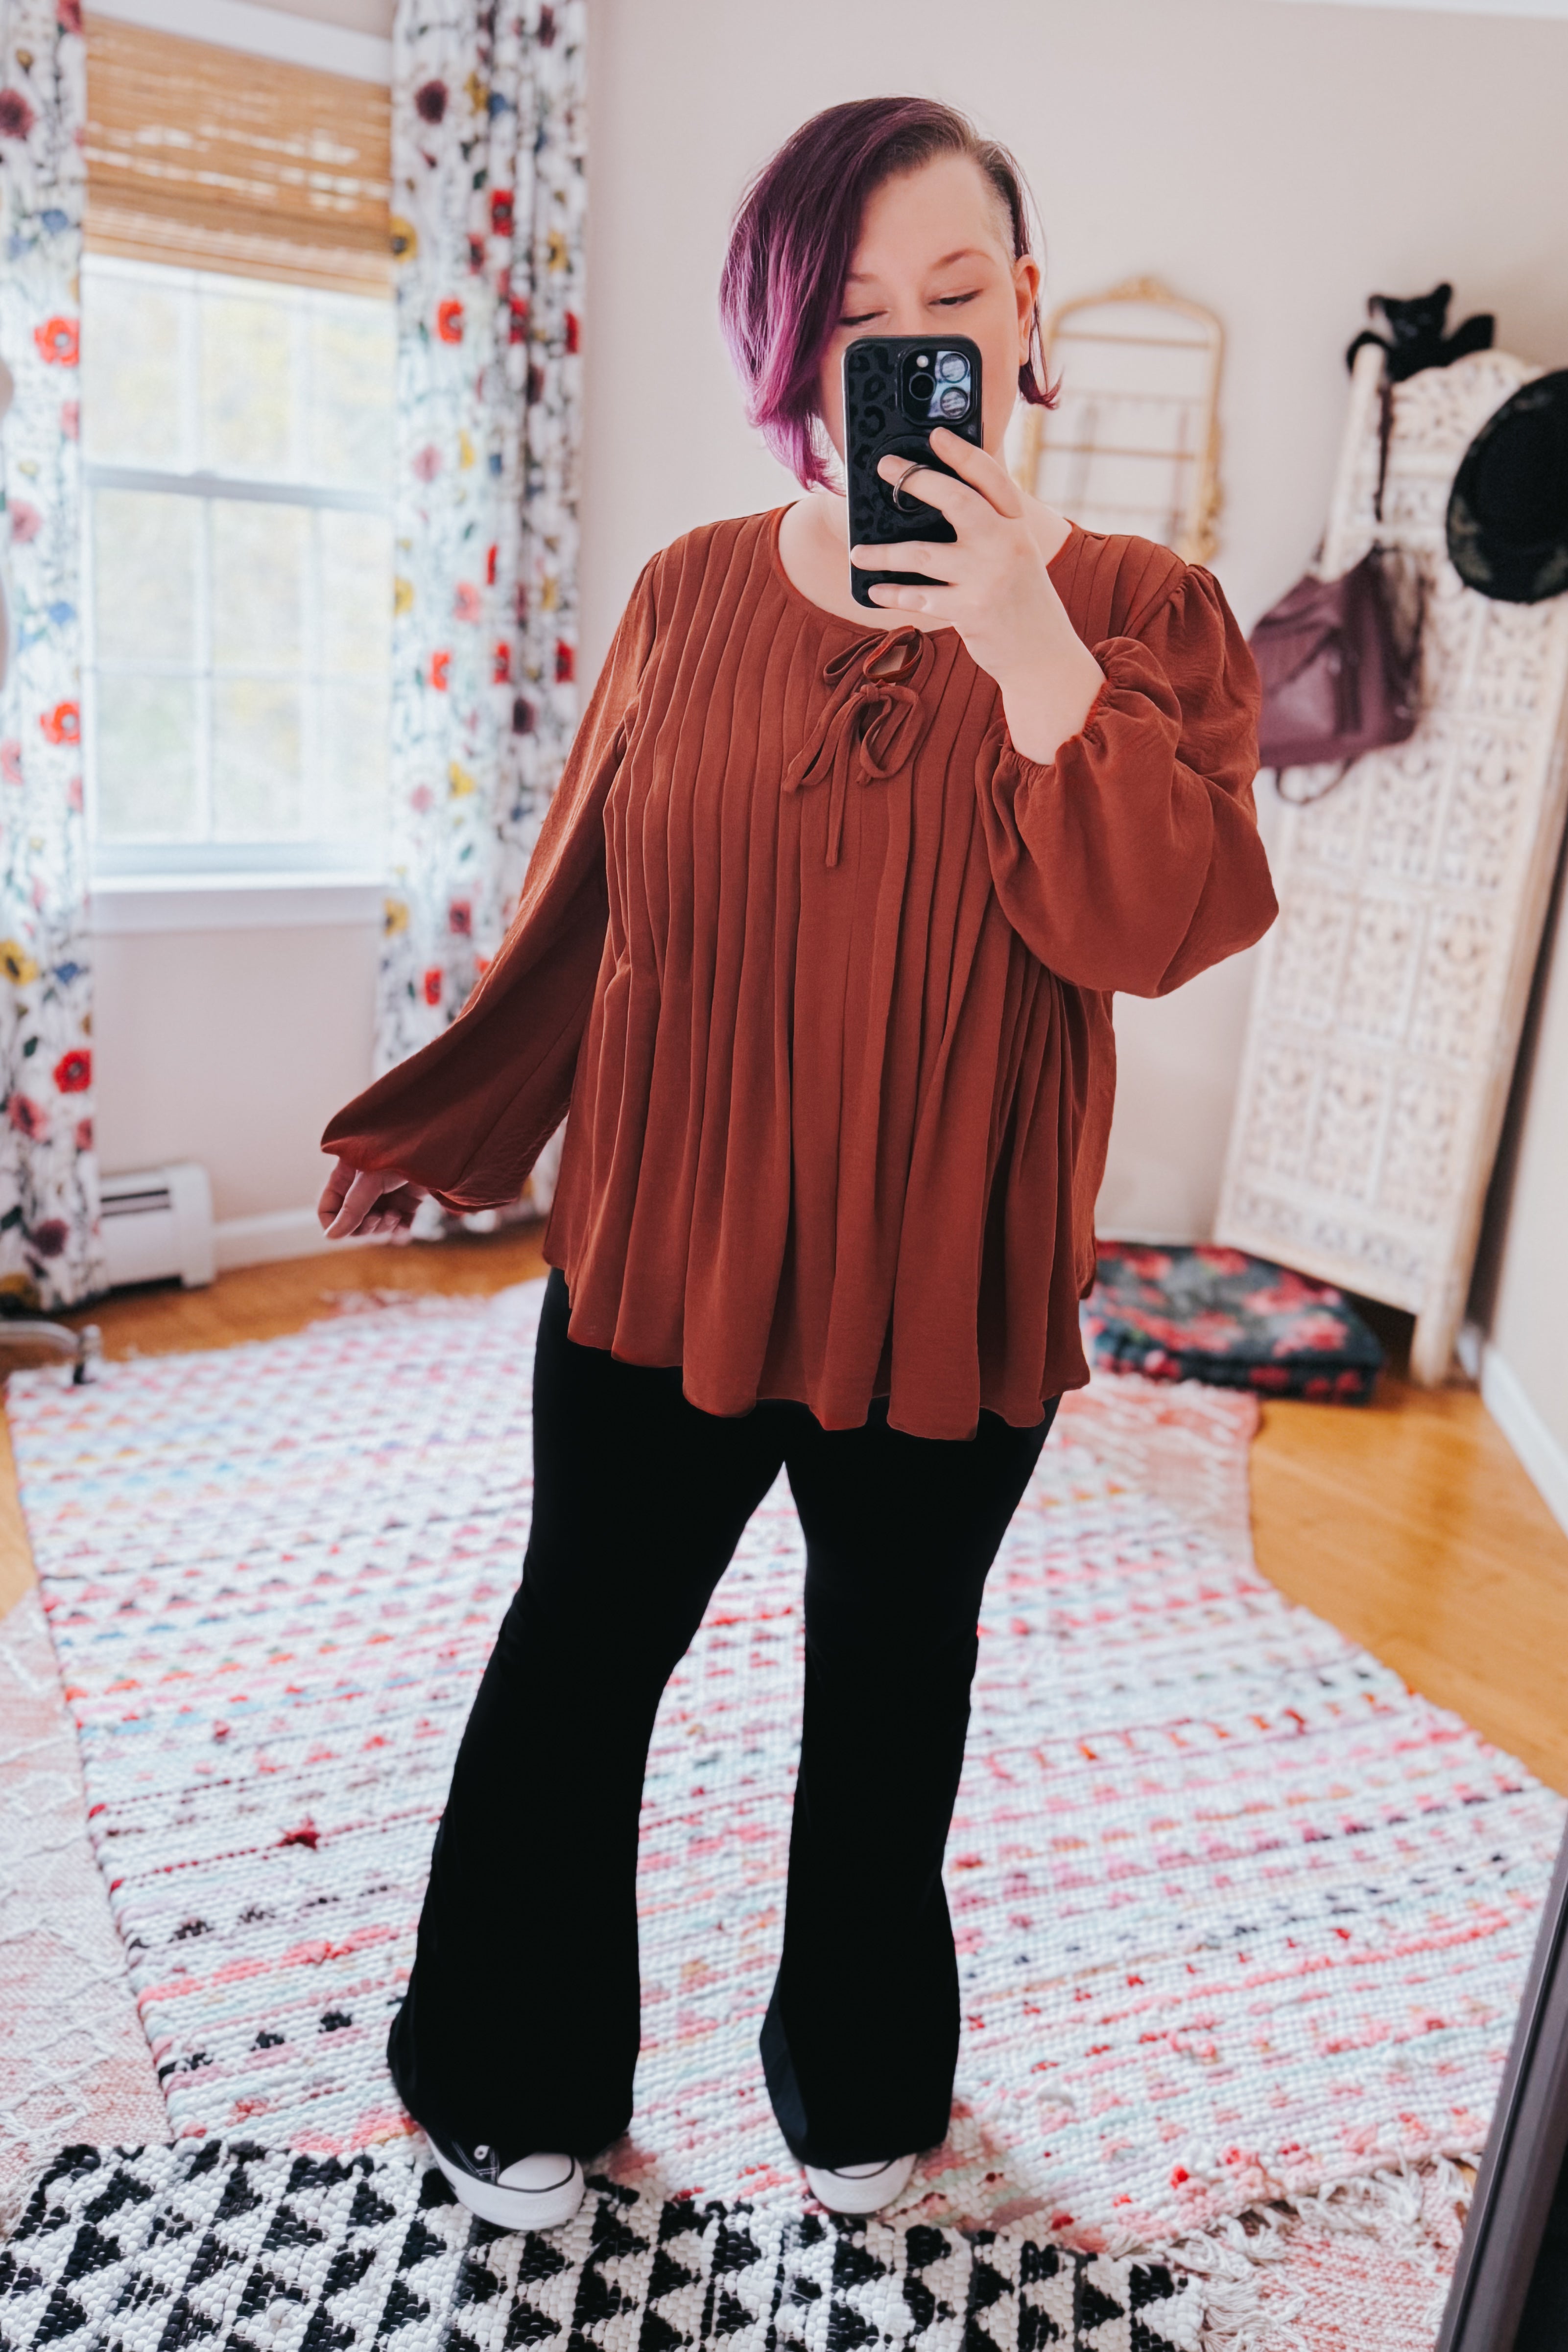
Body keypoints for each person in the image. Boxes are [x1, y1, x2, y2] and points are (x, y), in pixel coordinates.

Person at [317, 95, 1277, 2234]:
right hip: (667, 1242)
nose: (908, 340)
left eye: (953, 294)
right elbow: (583, 907)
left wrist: (1024, 637)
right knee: (581, 1655)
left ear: (1022, 314)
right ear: (788, 343)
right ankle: (507, 2061)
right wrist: (444, 1123)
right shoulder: (685, 594)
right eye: (854, 314)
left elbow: (1155, 923)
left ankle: (859, 2077)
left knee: (892, 1683)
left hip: (950, 1268)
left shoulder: (1147, 614)